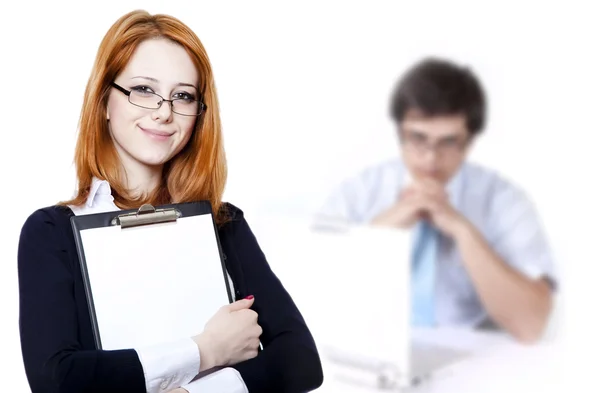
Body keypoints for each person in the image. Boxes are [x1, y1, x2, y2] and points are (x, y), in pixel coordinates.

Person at [17, 9, 323, 393]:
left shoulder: (222, 223)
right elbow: (55, 380)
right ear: (104, 102)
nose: (164, 112)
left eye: (183, 96)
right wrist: (205, 350)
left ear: (199, 114)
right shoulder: (53, 231)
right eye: (144, 89)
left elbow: (301, 361)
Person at [318, 57, 557, 343]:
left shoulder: (504, 200)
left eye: (448, 141)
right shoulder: (358, 191)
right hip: (369, 350)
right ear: (399, 133)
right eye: (418, 137)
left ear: (469, 142)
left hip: (474, 359)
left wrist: (462, 230)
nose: (431, 157)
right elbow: (314, 294)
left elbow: (532, 326)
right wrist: (387, 225)